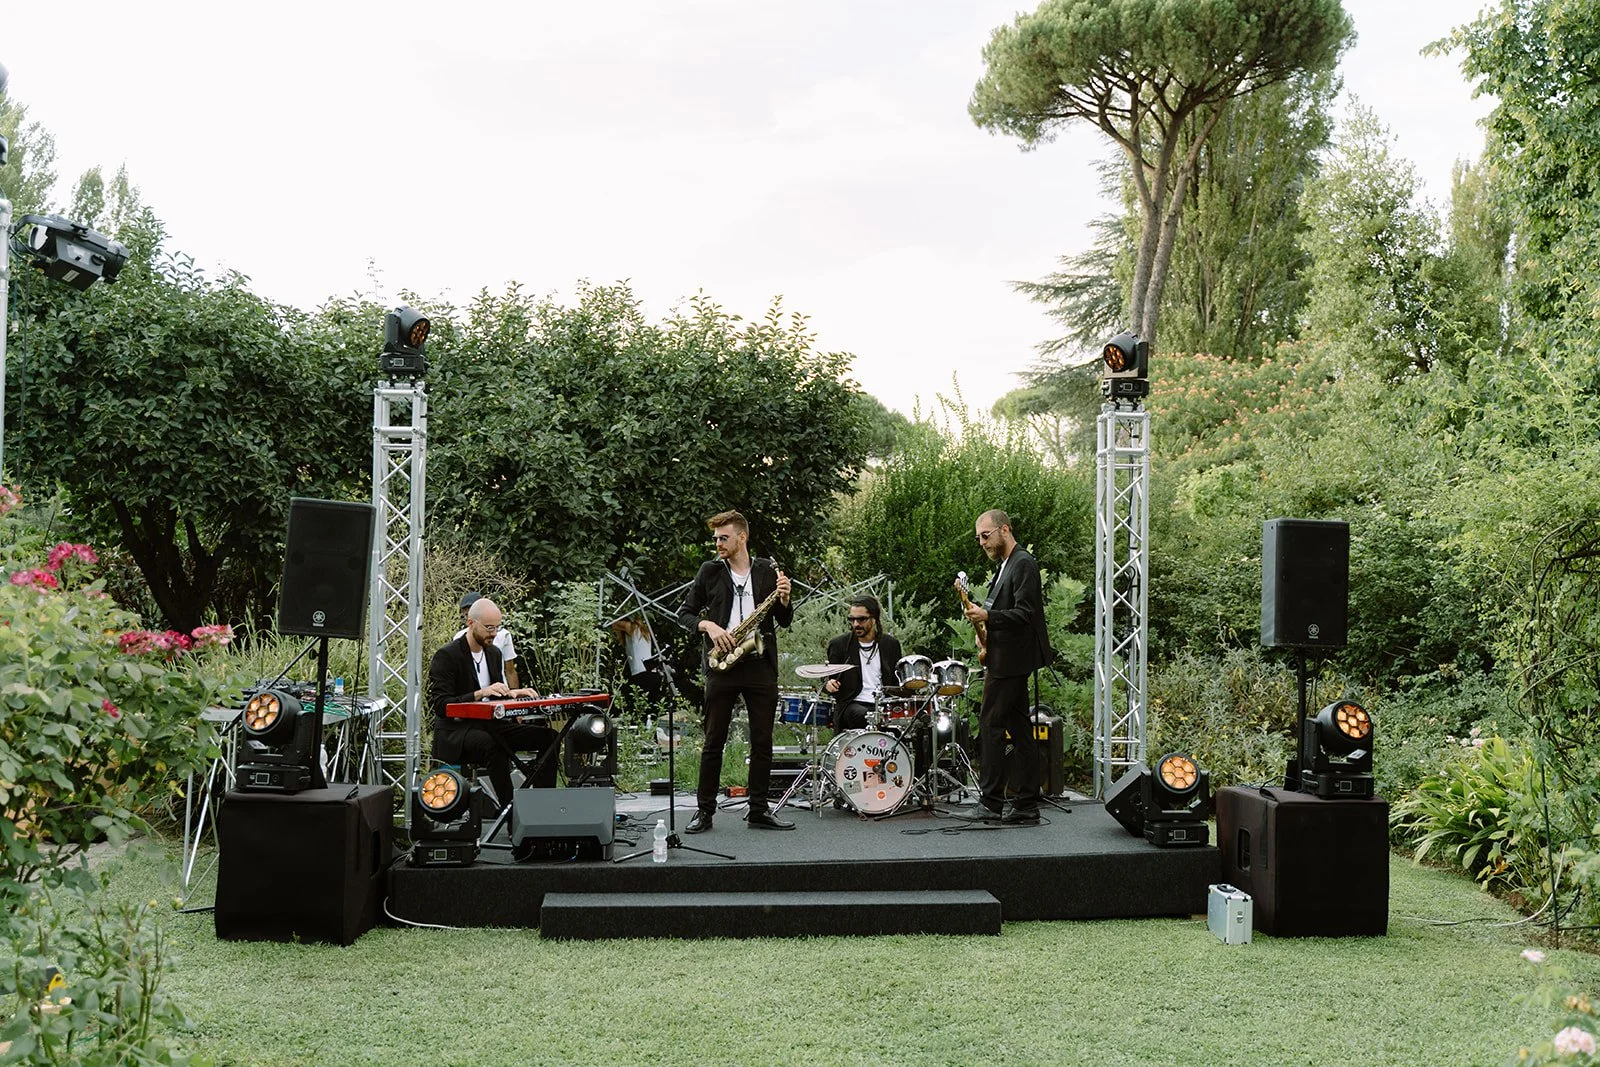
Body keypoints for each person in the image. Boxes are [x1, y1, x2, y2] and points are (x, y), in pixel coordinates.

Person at [676, 510, 795, 832]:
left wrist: (785, 599)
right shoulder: (710, 571)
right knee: (713, 740)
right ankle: (704, 812)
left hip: (759, 664)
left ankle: (759, 809)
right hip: (722, 665)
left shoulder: (767, 570)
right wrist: (709, 626)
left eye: (723, 538)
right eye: (716, 538)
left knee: (762, 741)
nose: (717, 543)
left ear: (742, 537)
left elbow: (784, 620)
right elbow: (684, 613)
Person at [959, 509, 1053, 825]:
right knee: (1022, 732)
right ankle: (1026, 804)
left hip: (1010, 662)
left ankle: (991, 802)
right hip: (1005, 658)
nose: (982, 542)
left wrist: (988, 617)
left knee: (991, 727)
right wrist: (984, 631)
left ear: (1005, 530)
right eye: (978, 538)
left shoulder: (1023, 563)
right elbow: (1004, 613)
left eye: (985, 535)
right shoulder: (1006, 565)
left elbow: (1025, 614)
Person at [428, 596, 557, 806]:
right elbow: (441, 705)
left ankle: (543, 803)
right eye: (489, 628)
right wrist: (479, 693)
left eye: (497, 627)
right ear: (471, 623)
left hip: (490, 725)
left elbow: (496, 696)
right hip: (458, 731)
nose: (494, 633)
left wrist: (513, 694)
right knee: (493, 745)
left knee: (549, 737)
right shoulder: (447, 655)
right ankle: (510, 809)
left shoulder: (494, 653)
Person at [823, 596, 904, 734]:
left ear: (874, 619)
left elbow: (897, 680)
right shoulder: (839, 645)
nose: (856, 624)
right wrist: (828, 684)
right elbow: (827, 677)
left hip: (885, 704)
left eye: (861, 619)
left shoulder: (890, 644)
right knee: (862, 715)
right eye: (852, 619)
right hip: (853, 704)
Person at [456, 591, 523, 690]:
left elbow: (510, 670)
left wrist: (515, 695)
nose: (468, 618)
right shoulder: (459, 637)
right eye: (466, 615)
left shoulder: (503, 635)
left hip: (499, 692)